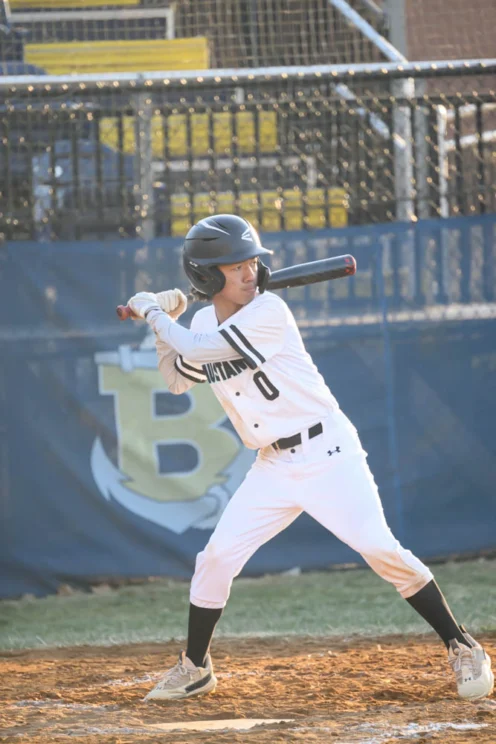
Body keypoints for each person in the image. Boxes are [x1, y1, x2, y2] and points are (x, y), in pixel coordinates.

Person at [127, 214, 493, 703]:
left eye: (251, 262)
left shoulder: (268, 311)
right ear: (206, 276)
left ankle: (463, 645)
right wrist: (164, 321)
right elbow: (178, 374)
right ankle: (195, 665)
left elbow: (193, 347)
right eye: (234, 267)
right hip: (273, 466)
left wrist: (154, 312)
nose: (249, 273)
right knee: (214, 557)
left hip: (328, 452)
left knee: (378, 546)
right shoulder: (199, 321)